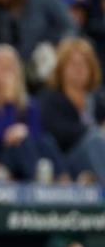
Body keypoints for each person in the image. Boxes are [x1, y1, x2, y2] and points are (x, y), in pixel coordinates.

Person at [0, 44, 62, 180]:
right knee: (19, 143)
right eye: (1, 66)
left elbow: (36, 137)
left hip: (25, 158)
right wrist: (8, 105)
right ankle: (38, 186)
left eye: (11, 66)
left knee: (47, 142)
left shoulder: (30, 106)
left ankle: (63, 181)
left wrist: (20, 129)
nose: (7, 71)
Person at [39, 37, 105, 182]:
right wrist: (94, 131)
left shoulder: (98, 99)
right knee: (95, 140)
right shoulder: (51, 98)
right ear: (61, 69)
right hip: (66, 163)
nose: (79, 69)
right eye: (73, 64)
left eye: (84, 64)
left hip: (97, 158)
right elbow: (58, 132)